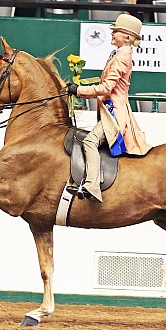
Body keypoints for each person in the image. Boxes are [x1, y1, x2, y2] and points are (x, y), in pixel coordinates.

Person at [66, 14, 152, 203]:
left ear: (128, 37)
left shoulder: (122, 57)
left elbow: (106, 88)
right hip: (109, 110)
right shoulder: (120, 54)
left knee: (89, 142)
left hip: (114, 113)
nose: (112, 33)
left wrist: (78, 90)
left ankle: (92, 185)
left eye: (117, 31)